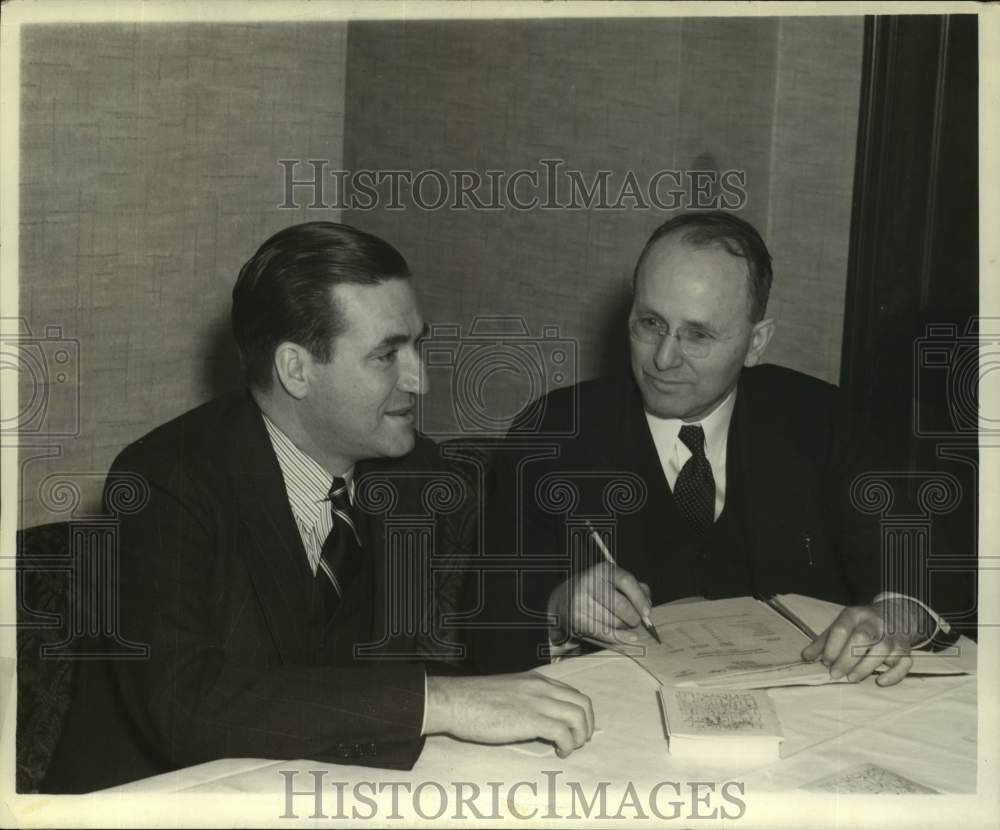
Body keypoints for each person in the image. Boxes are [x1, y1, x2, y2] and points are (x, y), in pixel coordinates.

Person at [42, 222, 593, 793]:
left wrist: (558, 610)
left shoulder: (411, 472)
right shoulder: (163, 483)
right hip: (156, 800)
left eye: (418, 344)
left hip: (316, 788)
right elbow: (188, 708)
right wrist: (438, 701)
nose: (421, 380)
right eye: (387, 355)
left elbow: (470, 624)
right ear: (296, 370)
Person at [470, 211, 956, 684]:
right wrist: (559, 611)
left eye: (697, 335)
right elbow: (482, 631)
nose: (662, 359)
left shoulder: (821, 420)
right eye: (650, 324)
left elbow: (923, 571)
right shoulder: (553, 433)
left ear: (756, 343)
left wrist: (895, 615)